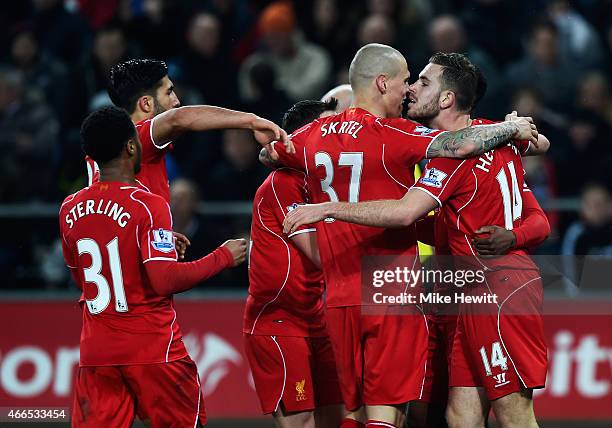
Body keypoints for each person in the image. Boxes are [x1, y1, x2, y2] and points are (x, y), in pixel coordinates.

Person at [262, 43, 538, 428]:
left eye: (419, 83)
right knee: (394, 413)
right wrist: (515, 128)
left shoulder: (311, 134)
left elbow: (271, 152)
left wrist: (311, 187)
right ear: (382, 83)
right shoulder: (397, 134)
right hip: (392, 289)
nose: (409, 90)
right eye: (408, 81)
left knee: (356, 413)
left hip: (341, 294)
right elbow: (459, 151)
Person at [60, 106, 247, 427]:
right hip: (154, 352)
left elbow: (81, 274)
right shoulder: (148, 204)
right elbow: (164, 280)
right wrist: (224, 256)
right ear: (132, 147)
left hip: (96, 354)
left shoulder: (69, 207)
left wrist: (143, 248)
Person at [244, 97, 343, 428]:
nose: (337, 135)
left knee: (337, 417)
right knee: (302, 423)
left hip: (315, 318)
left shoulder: (319, 183)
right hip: (279, 323)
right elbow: (317, 252)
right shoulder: (283, 183)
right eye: (329, 127)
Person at [86, 58, 291, 203]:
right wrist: (252, 121)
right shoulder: (136, 136)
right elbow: (179, 118)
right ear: (146, 104)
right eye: (169, 93)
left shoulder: (104, 147)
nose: (177, 101)